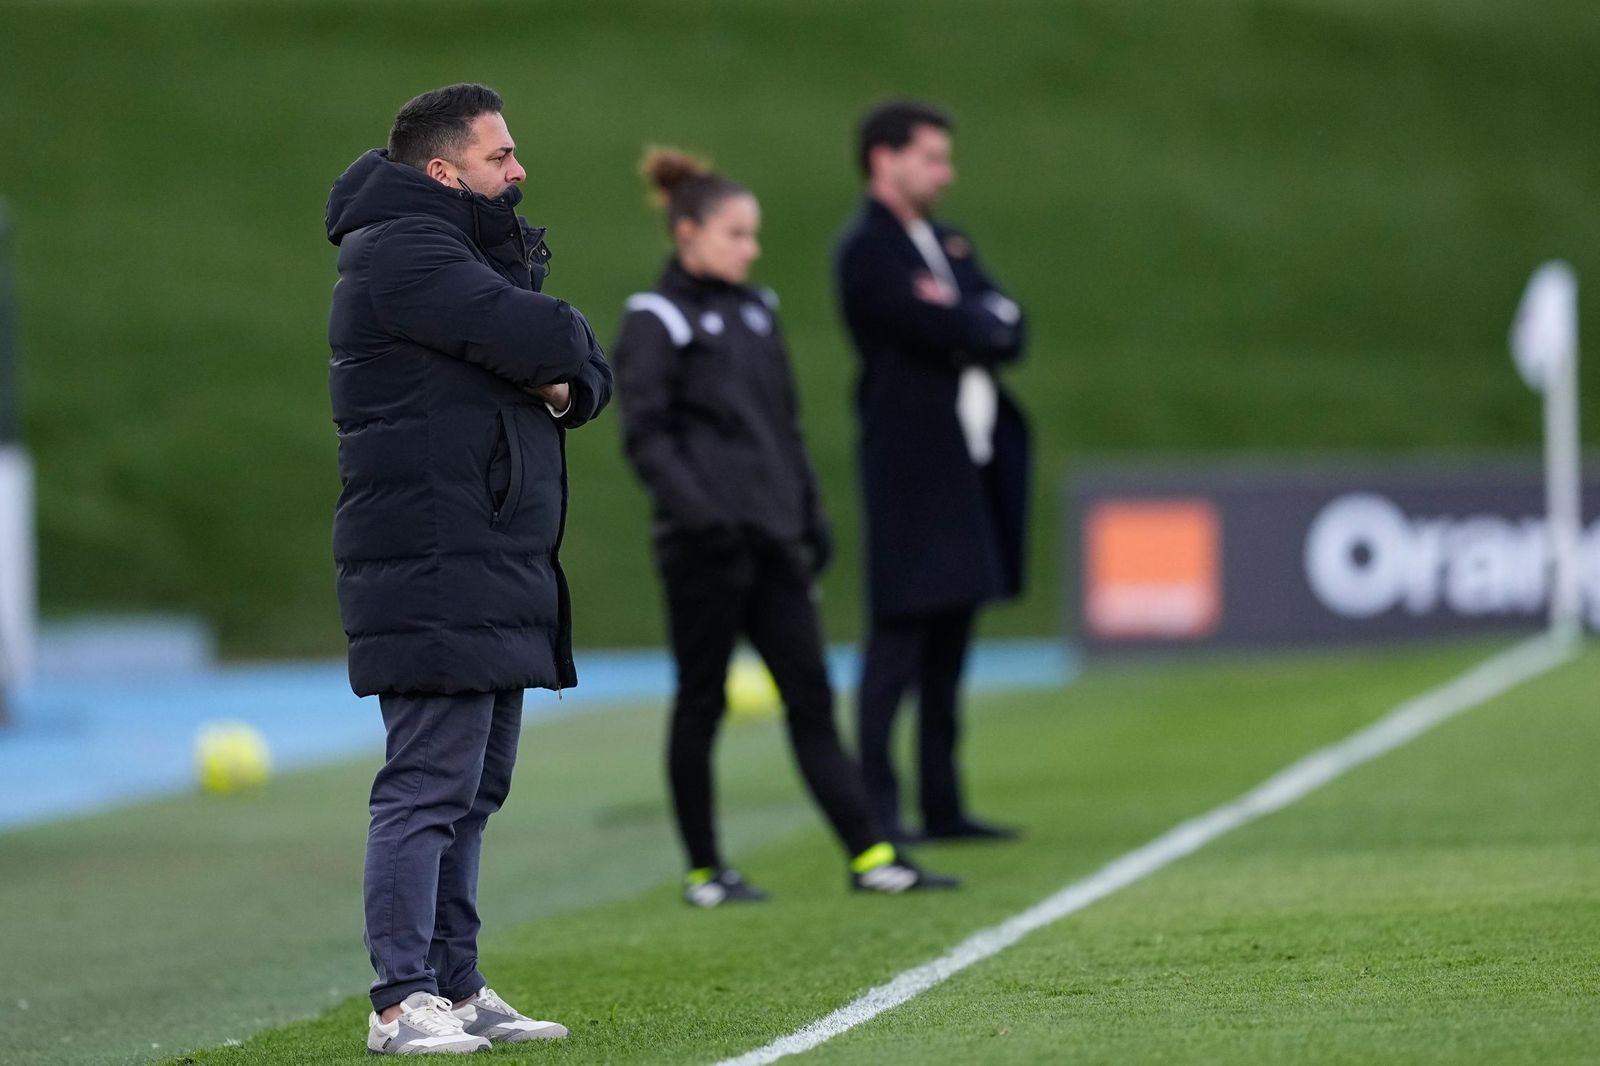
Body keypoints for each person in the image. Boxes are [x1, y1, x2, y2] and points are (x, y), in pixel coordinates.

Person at [325, 83, 612, 1055]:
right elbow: (548, 339)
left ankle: (456, 981)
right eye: (500, 158)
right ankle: (400, 1000)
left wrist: (558, 369)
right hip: (433, 562)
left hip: (485, 559)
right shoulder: (403, 247)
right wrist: (552, 357)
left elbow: (575, 372)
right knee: (427, 785)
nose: (519, 172)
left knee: (475, 789)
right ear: (444, 171)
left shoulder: (452, 250)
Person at [611, 148, 956, 906]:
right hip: (705, 550)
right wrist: (706, 518)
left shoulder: (757, 309)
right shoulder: (656, 319)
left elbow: (783, 426)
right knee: (701, 701)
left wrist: (809, 512)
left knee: (810, 699)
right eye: (737, 234)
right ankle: (706, 871)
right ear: (690, 234)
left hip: (773, 541)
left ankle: (873, 857)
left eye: (752, 234)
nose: (752, 248)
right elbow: (647, 438)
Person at [834, 101, 1031, 845]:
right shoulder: (867, 249)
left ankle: (944, 805)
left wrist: (974, 320)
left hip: (966, 462)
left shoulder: (947, 241)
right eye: (932, 158)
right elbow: (942, 326)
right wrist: (973, 321)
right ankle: (879, 811)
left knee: (952, 639)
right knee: (899, 642)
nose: (946, 173)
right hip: (910, 468)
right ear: (886, 159)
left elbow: (1010, 325)